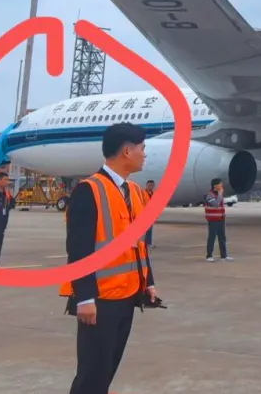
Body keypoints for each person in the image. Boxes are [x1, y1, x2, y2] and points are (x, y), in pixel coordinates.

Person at [61, 122, 158, 394]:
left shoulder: (134, 192)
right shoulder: (88, 190)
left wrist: (148, 282)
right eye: (142, 148)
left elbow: (138, 245)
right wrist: (84, 298)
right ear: (127, 151)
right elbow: (79, 249)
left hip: (128, 295)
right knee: (92, 373)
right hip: (99, 299)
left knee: (107, 369)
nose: (144, 154)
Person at [204, 179, 233, 262]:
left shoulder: (219, 195)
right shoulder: (210, 195)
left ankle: (224, 255)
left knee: (222, 237)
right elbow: (216, 204)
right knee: (212, 237)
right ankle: (209, 256)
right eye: (220, 184)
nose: (221, 186)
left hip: (220, 219)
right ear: (215, 186)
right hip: (213, 219)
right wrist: (220, 194)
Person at [142, 180, 156, 249]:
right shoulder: (142, 193)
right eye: (149, 185)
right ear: (146, 185)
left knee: (149, 230)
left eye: (152, 185)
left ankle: (148, 243)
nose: (151, 186)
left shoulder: (154, 194)